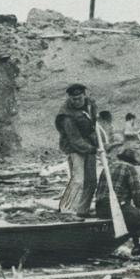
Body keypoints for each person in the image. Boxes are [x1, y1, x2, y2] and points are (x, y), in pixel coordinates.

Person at [96, 146, 140, 258]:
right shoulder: (129, 168)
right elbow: (136, 193)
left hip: (101, 207)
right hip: (115, 206)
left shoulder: (108, 167)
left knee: (134, 217)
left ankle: (138, 247)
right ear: (132, 161)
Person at [55, 84, 99, 217]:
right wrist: (92, 148)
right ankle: (66, 209)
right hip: (74, 148)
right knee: (79, 180)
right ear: (70, 98)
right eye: (74, 99)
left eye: (79, 98)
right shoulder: (66, 115)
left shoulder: (90, 105)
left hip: (90, 144)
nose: (77, 101)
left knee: (91, 180)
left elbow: (94, 123)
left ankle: (82, 210)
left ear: (84, 95)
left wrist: (98, 142)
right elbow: (74, 139)